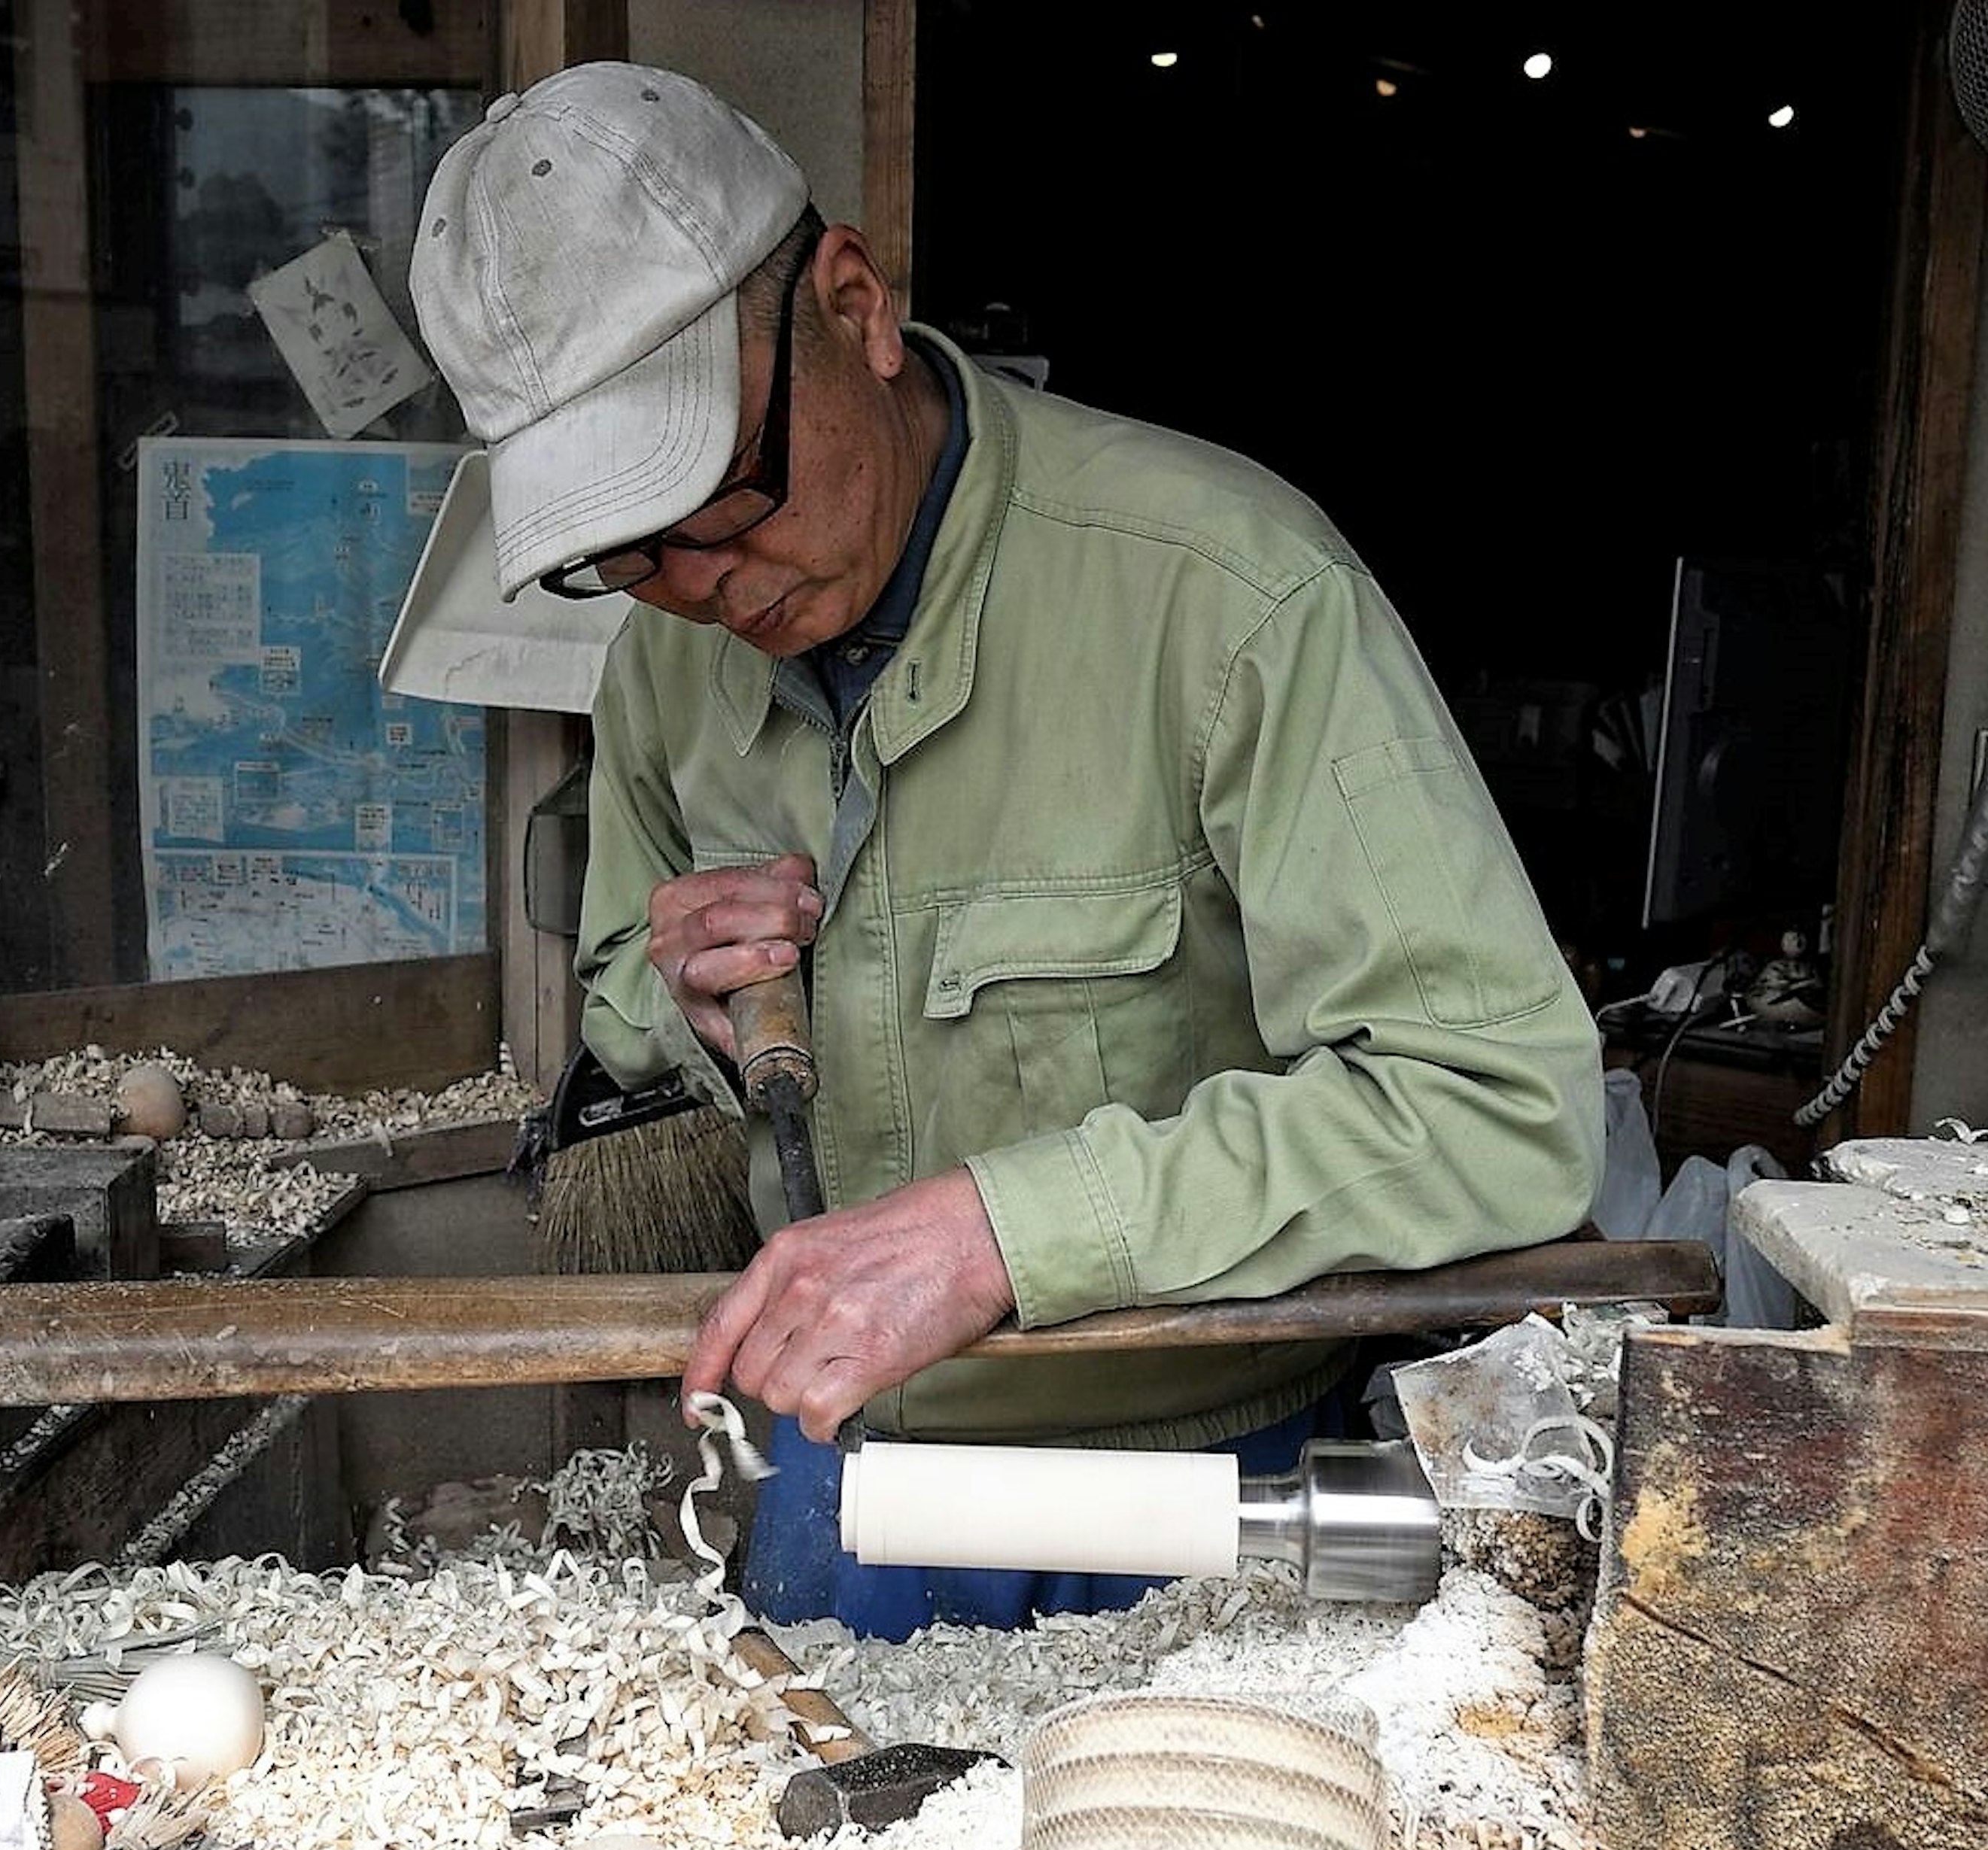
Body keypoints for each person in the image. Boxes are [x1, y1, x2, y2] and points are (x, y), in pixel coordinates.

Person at [408, 62, 1605, 1637]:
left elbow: (1500, 1104)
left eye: (720, 493)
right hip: (836, 1476)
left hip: (1195, 1485)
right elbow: (631, 976)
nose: (701, 583)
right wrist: (680, 1000)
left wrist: (1006, 1232)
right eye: (622, 551)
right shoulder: (664, 664)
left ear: (852, 307)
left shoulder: (1230, 596)